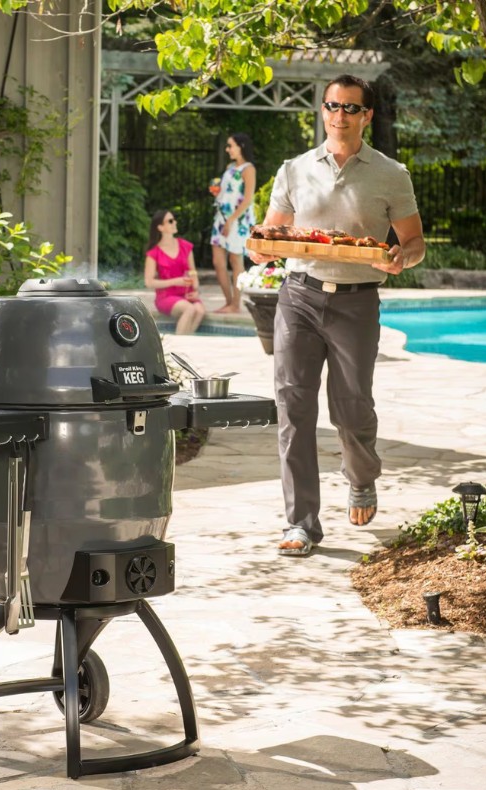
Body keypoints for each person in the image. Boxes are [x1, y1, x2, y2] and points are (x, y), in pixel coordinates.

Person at [249, 74, 426, 556]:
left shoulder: (391, 173)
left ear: (366, 116)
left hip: (357, 300)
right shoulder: (294, 169)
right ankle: (300, 523)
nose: (340, 115)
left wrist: (400, 258)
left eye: (351, 108)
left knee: (352, 408)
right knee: (293, 407)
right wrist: (263, 248)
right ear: (323, 112)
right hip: (299, 297)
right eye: (333, 106)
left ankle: (362, 477)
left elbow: (414, 243)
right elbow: (276, 233)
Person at [209, 132, 257, 314]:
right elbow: (227, 191)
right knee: (217, 262)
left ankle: (236, 305)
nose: (227, 149)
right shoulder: (230, 167)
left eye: (230, 146)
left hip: (238, 220)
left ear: (241, 146)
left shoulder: (248, 169)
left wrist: (231, 220)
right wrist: (217, 192)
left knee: (235, 260)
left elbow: (247, 199)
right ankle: (229, 302)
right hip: (221, 218)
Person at [144, 209, 205, 335]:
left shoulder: (185, 246)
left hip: (186, 294)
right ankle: (177, 346)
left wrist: (196, 289)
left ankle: (184, 343)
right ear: (160, 227)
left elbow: (192, 271)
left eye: (174, 219)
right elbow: (149, 282)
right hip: (166, 296)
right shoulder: (154, 253)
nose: (175, 222)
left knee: (199, 310)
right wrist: (176, 281)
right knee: (189, 309)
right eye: (170, 221)